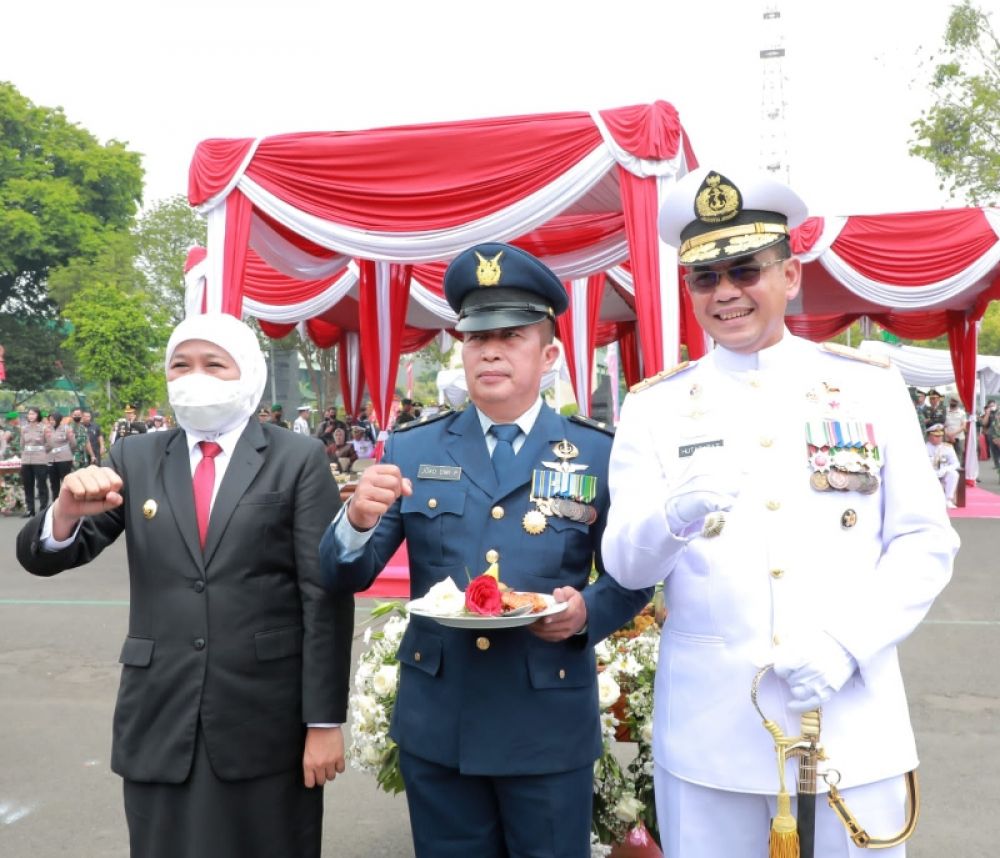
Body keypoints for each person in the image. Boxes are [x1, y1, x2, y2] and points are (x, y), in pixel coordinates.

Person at [601, 168, 960, 858]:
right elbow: (623, 564)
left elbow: (923, 542)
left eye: (745, 270)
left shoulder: (867, 388)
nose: (726, 293)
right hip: (712, 733)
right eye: (705, 279)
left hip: (850, 718)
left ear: (790, 275)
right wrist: (671, 518)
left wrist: (848, 644)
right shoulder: (654, 407)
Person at [320, 241, 652, 858]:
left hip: (545, 724)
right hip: (442, 723)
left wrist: (586, 614)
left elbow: (632, 578)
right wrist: (356, 521)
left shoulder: (598, 453)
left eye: (513, 334)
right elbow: (343, 572)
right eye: (476, 337)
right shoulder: (415, 450)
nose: (491, 349)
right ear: (461, 350)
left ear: (549, 353)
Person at [16, 313, 355, 858]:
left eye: (212, 364)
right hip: (160, 715)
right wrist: (62, 513)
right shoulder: (136, 456)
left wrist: (324, 721)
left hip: (265, 720)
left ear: (246, 373)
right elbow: (48, 557)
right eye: (181, 365)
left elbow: (325, 595)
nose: (193, 377)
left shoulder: (296, 458)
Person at [19, 406, 49, 517]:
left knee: (41, 484)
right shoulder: (24, 428)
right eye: (29, 414)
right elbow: (22, 444)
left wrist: (43, 453)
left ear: (38, 415)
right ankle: (30, 509)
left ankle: (43, 509)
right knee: (28, 485)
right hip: (27, 459)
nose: (31, 416)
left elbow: (49, 444)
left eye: (33, 414)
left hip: (40, 459)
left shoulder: (44, 428)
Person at [925, 422, 960, 507]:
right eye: (936, 436)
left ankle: (948, 499)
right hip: (928, 474)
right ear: (929, 436)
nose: (939, 438)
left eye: (940, 436)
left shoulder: (947, 447)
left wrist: (945, 470)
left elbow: (956, 463)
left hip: (942, 473)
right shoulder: (923, 448)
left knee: (954, 474)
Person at [45, 411, 76, 500]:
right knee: (53, 482)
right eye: (50, 420)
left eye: (53, 419)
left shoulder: (67, 428)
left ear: (58, 419)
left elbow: (73, 443)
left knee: (65, 481)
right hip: (51, 459)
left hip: (64, 459)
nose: (51, 421)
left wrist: (68, 453)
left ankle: (68, 500)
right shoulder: (46, 429)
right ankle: (55, 501)